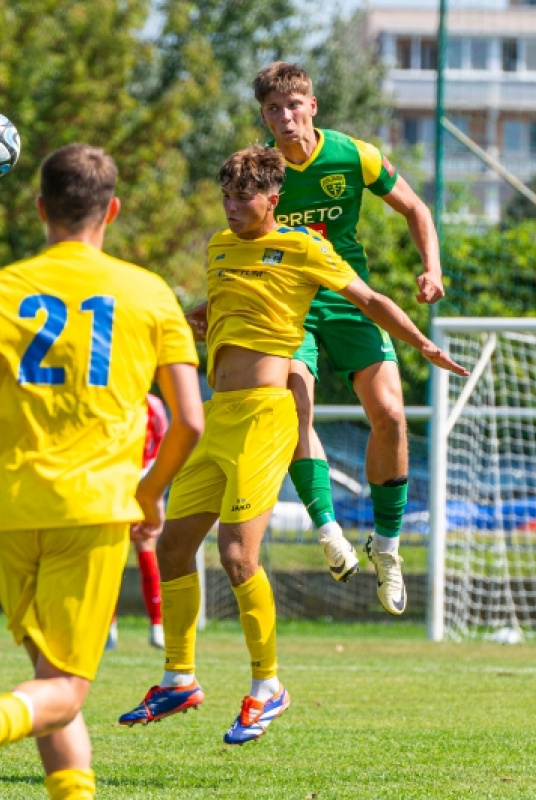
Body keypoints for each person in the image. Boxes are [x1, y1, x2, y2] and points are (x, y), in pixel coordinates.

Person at [118, 145, 468, 745]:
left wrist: (422, 346)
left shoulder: (308, 248)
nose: (231, 207)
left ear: (273, 199)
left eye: (243, 197)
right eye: (225, 196)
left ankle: (267, 687)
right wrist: (193, 319)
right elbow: (228, 307)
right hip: (215, 417)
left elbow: (371, 301)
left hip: (266, 418)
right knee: (171, 548)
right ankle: (178, 678)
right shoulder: (218, 247)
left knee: (236, 556)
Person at [0, 143, 204, 800]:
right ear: (114, 210)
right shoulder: (149, 294)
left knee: (52, 680)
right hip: (93, 508)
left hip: (8, 507)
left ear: (40, 207)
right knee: (65, 689)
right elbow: (190, 421)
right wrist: (151, 494)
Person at [187, 61, 444, 615]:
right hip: (289, 306)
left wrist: (432, 268)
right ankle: (328, 531)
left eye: (292, 105)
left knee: (392, 415)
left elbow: (416, 208)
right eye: (272, 109)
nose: (284, 117)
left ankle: (388, 545)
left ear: (313, 105)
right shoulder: (262, 169)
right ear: (263, 116)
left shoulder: (354, 155)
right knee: (295, 407)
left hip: (347, 293)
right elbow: (248, 246)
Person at [107, 392, 169, 650]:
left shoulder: (152, 405)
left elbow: (162, 446)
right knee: (110, 559)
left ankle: (157, 626)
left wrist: (150, 489)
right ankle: (107, 629)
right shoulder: (113, 399)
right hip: (114, 484)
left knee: (146, 553)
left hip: (144, 485)